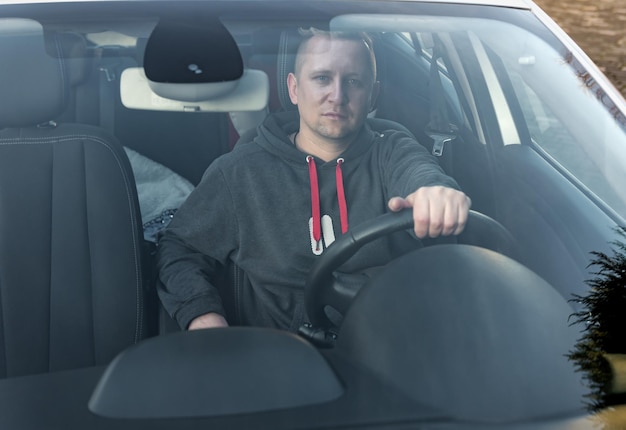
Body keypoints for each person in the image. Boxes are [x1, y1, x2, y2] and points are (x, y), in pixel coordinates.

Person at [157, 28, 471, 332]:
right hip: (276, 356)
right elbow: (179, 246)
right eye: (322, 78)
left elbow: (423, 175)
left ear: (373, 94)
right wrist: (202, 316)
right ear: (294, 88)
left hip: (386, 345)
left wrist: (437, 194)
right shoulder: (240, 171)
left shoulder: (393, 152)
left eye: (353, 81)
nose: (337, 95)